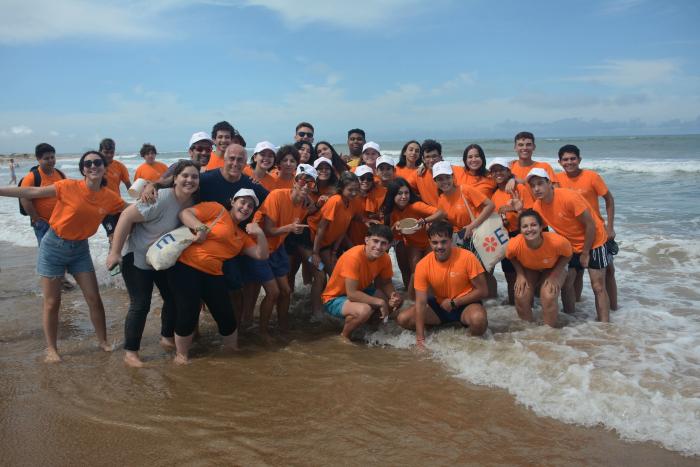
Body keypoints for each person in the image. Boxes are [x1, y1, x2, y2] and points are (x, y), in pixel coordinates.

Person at [0, 151, 126, 362]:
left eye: (97, 162)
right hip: (53, 247)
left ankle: (103, 341)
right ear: (83, 169)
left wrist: (153, 190)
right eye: (88, 163)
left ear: (104, 167)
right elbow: (31, 191)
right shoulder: (67, 186)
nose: (93, 166)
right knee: (52, 301)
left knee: (94, 298)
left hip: (80, 249)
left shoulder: (109, 197)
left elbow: (130, 210)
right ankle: (51, 349)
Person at [106, 160, 201, 367]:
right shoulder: (162, 198)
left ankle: (166, 337)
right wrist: (114, 253)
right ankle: (131, 352)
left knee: (172, 298)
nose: (189, 180)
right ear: (175, 179)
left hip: (161, 258)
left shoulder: (192, 203)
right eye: (185, 176)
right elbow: (125, 216)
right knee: (141, 304)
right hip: (137, 256)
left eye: (194, 177)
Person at [170, 188, 269, 363]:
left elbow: (261, 255)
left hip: (213, 274)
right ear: (233, 202)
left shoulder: (241, 236)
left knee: (226, 315)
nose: (245, 207)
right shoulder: (217, 210)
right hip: (186, 266)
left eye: (250, 206)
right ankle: (181, 355)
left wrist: (260, 233)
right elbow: (185, 213)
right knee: (189, 311)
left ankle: (232, 350)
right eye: (242, 202)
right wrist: (199, 227)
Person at [527, 168, 610, 322]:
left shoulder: (568, 197)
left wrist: (585, 252)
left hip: (594, 242)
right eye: (532, 186)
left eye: (540, 184)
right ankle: (572, 321)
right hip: (570, 246)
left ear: (549, 183)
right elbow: (535, 229)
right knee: (566, 283)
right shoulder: (538, 206)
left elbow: (590, 225)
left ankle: (605, 325)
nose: (536, 189)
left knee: (598, 286)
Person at [246, 164, 315, 343]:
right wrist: (290, 228)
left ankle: (282, 327)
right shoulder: (277, 195)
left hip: (277, 249)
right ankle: (263, 331)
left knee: (286, 291)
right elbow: (268, 229)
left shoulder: (304, 205)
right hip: (259, 247)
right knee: (274, 292)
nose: (306, 185)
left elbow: (312, 211)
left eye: (311, 183)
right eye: (302, 180)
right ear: (295, 181)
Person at [396, 220, 489, 349]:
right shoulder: (422, 265)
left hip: (466, 305)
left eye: (444, 241)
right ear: (429, 242)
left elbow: (483, 291)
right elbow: (420, 303)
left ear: (451, 240)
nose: (439, 246)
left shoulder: (468, 257)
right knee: (403, 319)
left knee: (479, 321)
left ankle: (468, 343)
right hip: (440, 307)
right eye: (435, 242)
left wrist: (455, 302)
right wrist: (420, 339)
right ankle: (437, 329)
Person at [555, 144, 618, 310]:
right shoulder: (558, 180)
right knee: (576, 274)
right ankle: (578, 309)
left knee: (608, 271)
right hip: (572, 237)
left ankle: (614, 308)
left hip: (597, 233)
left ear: (579, 159)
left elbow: (609, 200)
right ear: (560, 162)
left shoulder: (591, 177)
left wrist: (610, 227)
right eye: (565, 159)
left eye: (573, 158)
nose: (569, 162)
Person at [321, 223, 403, 341]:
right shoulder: (353, 257)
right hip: (334, 298)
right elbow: (352, 294)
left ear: (388, 245)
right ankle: (344, 337)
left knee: (394, 302)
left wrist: (393, 295)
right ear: (366, 240)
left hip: (361, 290)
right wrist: (379, 302)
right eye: (375, 241)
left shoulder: (385, 257)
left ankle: (370, 328)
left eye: (383, 243)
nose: (378, 246)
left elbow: (385, 283)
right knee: (365, 310)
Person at [308, 172, 362, 318]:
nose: (354, 192)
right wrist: (315, 253)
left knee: (336, 275)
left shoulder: (350, 203)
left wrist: (334, 251)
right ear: (341, 188)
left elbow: (343, 229)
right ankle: (316, 312)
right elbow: (321, 227)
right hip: (311, 239)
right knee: (322, 277)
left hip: (327, 243)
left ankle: (331, 307)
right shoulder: (336, 201)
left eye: (356, 189)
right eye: (350, 189)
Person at [506, 210, 573, 326]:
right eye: (525, 226)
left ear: (541, 227)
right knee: (520, 294)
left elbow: (568, 255)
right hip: (531, 268)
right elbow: (511, 257)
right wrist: (520, 275)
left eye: (533, 225)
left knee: (548, 294)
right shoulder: (514, 244)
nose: (529, 229)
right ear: (520, 230)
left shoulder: (557, 242)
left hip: (553, 267)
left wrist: (554, 276)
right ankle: (529, 331)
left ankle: (549, 331)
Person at [19, 143, 72, 290]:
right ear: (38, 159)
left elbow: (67, 194)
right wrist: (36, 218)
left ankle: (60, 279)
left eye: (52, 157)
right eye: (46, 158)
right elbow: (24, 199)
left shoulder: (60, 174)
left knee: (62, 251)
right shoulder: (32, 177)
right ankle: (53, 282)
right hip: (42, 223)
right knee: (48, 254)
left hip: (60, 223)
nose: (51, 160)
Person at [382, 177, 444, 298]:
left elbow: (441, 213)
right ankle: (412, 299)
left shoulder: (416, 206)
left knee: (428, 272)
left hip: (428, 243)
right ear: (392, 195)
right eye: (399, 193)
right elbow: (390, 234)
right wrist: (395, 227)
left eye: (406, 193)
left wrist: (425, 220)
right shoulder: (392, 212)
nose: (404, 196)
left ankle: (432, 298)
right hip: (412, 244)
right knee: (414, 273)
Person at [488, 157, 527, 304]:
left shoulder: (519, 188)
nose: (498, 173)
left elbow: (531, 214)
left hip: (522, 235)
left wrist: (515, 210)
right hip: (505, 237)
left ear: (508, 171)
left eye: (501, 170)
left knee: (525, 276)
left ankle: (528, 311)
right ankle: (514, 308)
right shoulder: (494, 194)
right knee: (510, 276)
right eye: (494, 171)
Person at [509, 132, 556, 206]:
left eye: (528, 144)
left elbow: (556, 192)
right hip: (519, 212)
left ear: (534, 147)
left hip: (542, 210)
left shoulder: (544, 167)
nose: (524, 148)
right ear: (515, 148)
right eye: (521, 145)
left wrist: (522, 181)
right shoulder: (510, 167)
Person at [414, 139, 465, 207]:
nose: (431, 160)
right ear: (423, 159)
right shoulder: (418, 174)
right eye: (427, 157)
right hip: (434, 214)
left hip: (456, 212)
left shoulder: (456, 170)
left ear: (440, 157)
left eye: (434, 156)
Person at [100, 138, 131, 240]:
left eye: (111, 152)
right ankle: (113, 254)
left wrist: (139, 198)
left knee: (122, 235)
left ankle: (117, 254)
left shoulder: (119, 166)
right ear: (100, 151)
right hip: (103, 208)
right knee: (112, 236)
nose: (109, 155)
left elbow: (128, 185)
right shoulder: (95, 166)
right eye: (106, 152)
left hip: (117, 206)